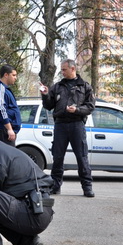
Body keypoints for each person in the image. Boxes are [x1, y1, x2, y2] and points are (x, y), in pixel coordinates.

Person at [40, 59, 96, 197]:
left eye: (64, 69)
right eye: (61, 69)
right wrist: (46, 94)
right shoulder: (57, 86)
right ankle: (55, 186)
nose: (62, 72)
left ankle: (87, 187)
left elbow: (90, 107)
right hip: (60, 125)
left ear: (72, 69)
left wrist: (76, 110)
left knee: (82, 157)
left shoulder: (85, 86)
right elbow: (48, 106)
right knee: (58, 157)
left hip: (77, 124)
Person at [0, 64, 21, 146]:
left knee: (8, 157)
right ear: (6, 75)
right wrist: (9, 129)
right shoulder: (0, 89)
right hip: (3, 130)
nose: (15, 78)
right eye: (13, 75)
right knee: (6, 157)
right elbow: (1, 109)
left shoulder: (4, 89)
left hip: (5, 130)